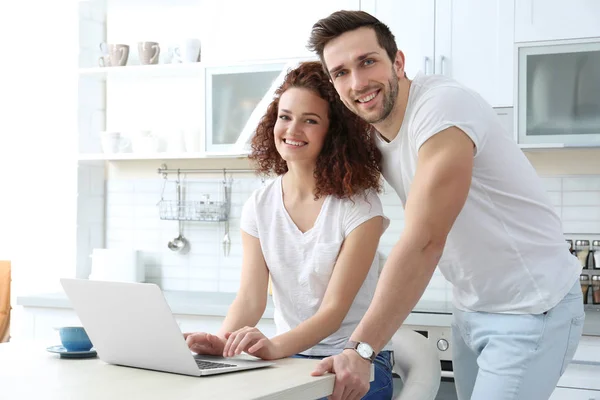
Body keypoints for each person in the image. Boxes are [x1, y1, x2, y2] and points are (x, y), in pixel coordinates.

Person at [307, 10, 585, 400]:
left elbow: (424, 241)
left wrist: (361, 349)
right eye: (340, 72)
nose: (357, 82)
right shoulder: (371, 131)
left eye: (367, 62)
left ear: (398, 62)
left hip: (531, 308)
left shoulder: (442, 110)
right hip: (471, 308)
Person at [184, 61, 395, 399]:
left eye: (310, 120)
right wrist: (222, 343)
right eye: (285, 116)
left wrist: (272, 347)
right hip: (290, 362)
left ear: (333, 132)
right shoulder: (259, 205)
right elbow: (250, 299)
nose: (292, 130)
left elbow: (333, 311)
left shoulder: (360, 205)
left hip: (353, 363)